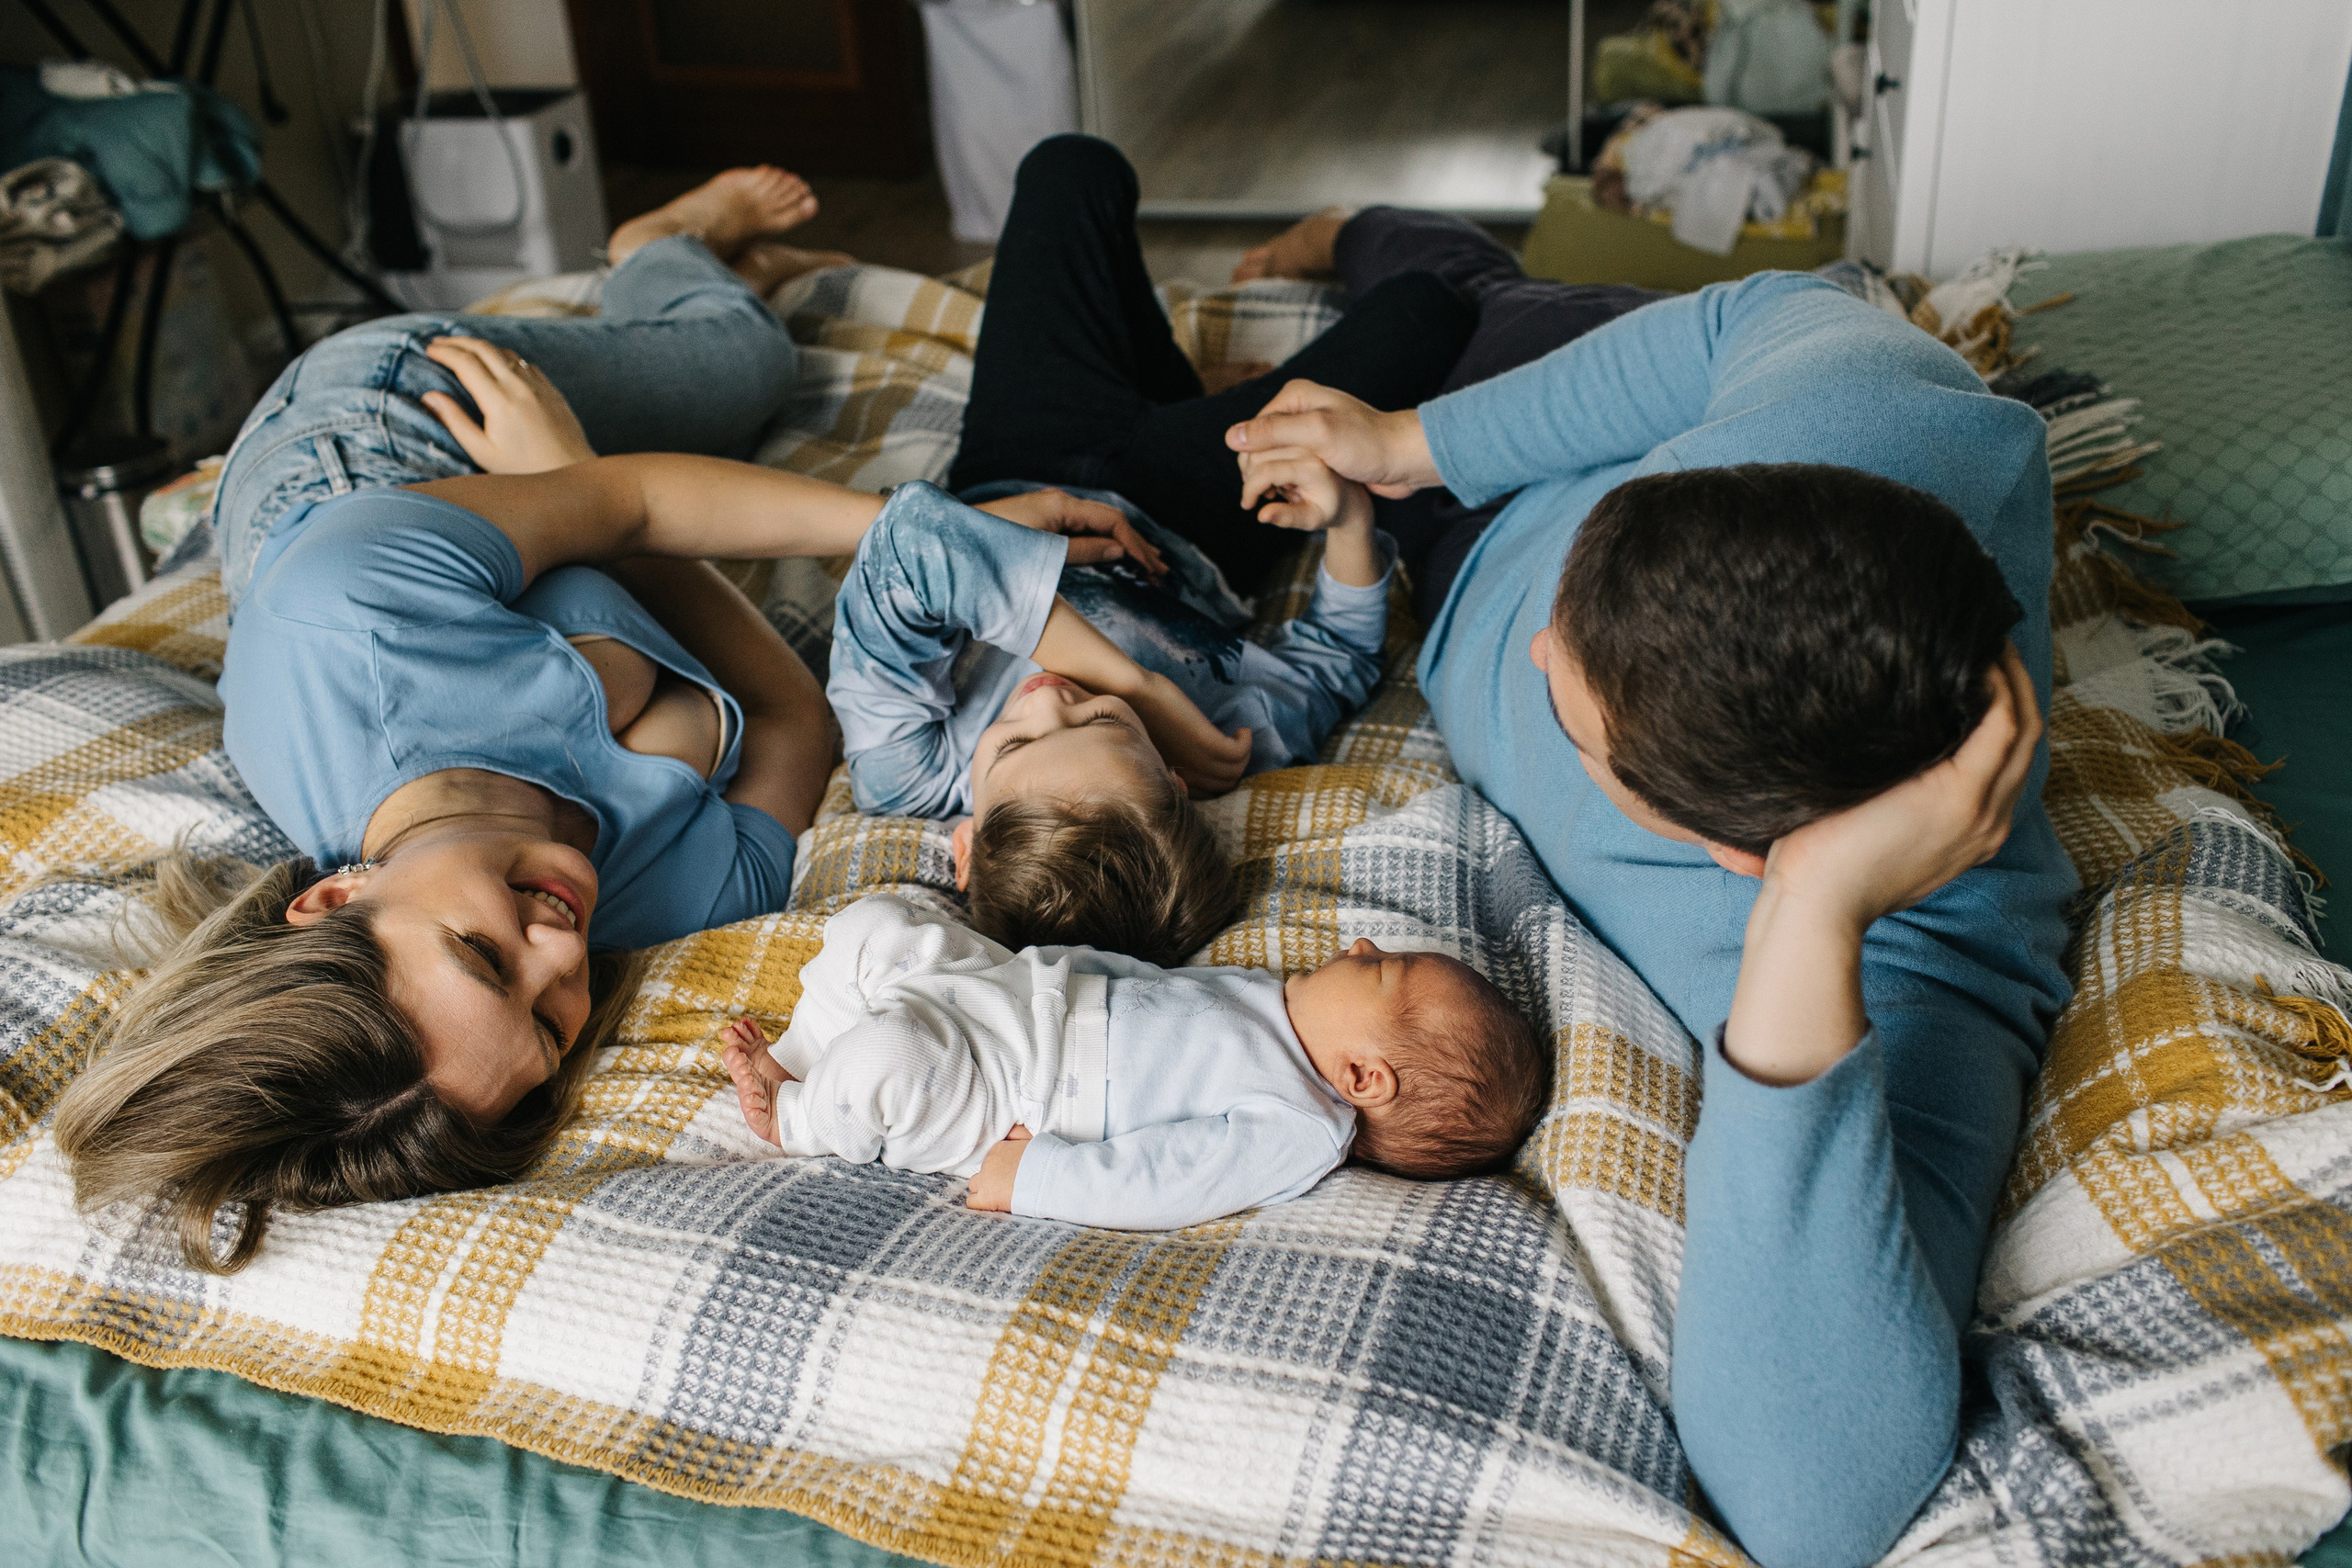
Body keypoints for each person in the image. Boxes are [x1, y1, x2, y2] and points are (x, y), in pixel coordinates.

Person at [52, 169, 1160, 1276]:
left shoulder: (346, 613)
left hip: (380, 439)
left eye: (482, 955)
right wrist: (576, 476)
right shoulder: (676, 906)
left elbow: (636, 503)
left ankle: (663, 235)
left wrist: (946, 535)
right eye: (549, 1025)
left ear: (336, 897)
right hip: (561, 498)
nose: (562, 950)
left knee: (744, 364)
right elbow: (794, 719)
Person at [1222, 243, 2079, 1561]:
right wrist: (1410, 442)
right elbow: (1745, 313)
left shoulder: (1917, 963)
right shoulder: (1877, 424)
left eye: (1576, 727)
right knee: (1435, 279)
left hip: (1438, 568)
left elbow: (1810, 1510)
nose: (1540, 647)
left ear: (1742, 853)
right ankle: (1371, 233)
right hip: (1512, 421)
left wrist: (1814, 916)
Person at [831, 447, 1390, 966]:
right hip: (1175, 515)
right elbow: (1339, 654)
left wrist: (1133, 686)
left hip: (1013, 469)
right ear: (1174, 781)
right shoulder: (1222, 742)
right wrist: (1352, 519)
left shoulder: (909, 778)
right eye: (1102, 718)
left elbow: (909, 535)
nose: (1049, 698)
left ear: (968, 850)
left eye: (1014, 745)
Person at [717, 894, 1546, 1228]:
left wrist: (1036, 1177)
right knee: (883, 924)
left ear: (1362, 1077)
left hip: (1011, 1093)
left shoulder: (1300, 1122)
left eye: (1381, 968)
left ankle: (797, 1115)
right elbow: (1149, 984)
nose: (1362, 943)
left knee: (898, 1056)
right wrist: (1031, 966)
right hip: (1020, 1000)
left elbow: (1166, 1178)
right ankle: (808, 1050)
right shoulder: (1277, 1005)